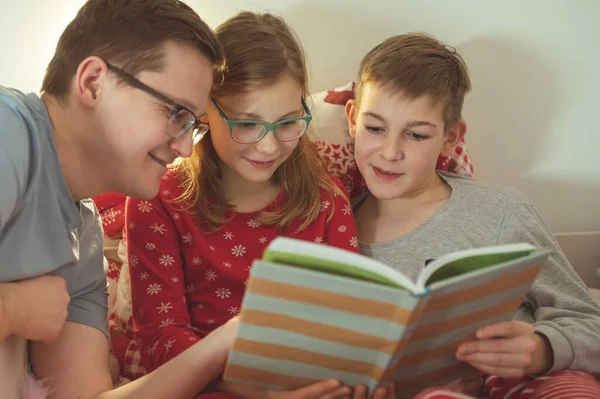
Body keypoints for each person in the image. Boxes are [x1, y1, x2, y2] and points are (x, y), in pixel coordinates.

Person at [0, 1, 352, 398]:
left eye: (193, 124)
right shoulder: (9, 132)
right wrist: (13, 308)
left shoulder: (83, 239)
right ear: (93, 82)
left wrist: (226, 345)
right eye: (175, 113)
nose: (186, 148)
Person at [122, 11, 394, 399]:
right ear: (205, 110)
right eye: (246, 124)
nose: (268, 147)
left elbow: (345, 322)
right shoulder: (158, 199)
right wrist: (259, 392)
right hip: (205, 386)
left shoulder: (326, 199)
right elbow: (160, 341)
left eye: (287, 123)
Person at [344, 32, 600, 399]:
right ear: (352, 118)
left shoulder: (501, 212)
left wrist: (542, 349)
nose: (390, 151)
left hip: (520, 384)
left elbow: (590, 322)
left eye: (416, 135)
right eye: (374, 128)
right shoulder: (333, 226)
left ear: (451, 137)